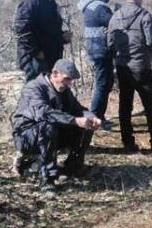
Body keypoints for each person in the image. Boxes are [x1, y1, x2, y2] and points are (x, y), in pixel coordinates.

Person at [11, 59, 100, 192]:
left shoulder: (63, 90)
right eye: (67, 79)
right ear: (55, 74)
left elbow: (77, 109)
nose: (69, 83)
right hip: (27, 135)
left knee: (86, 126)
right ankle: (47, 180)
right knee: (48, 126)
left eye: (70, 80)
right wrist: (74, 120)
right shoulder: (33, 88)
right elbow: (43, 113)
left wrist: (90, 117)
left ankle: (73, 167)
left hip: (52, 133)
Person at [107, 0, 152, 153]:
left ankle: (127, 142)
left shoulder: (115, 16)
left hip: (123, 67)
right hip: (141, 66)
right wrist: (149, 54)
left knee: (125, 105)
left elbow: (109, 43)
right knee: (150, 106)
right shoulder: (144, 15)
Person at [14, 0, 70, 82]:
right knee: (36, 93)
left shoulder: (51, 3)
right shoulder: (31, 3)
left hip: (51, 57)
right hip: (36, 61)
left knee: (49, 93)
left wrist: (62, 38)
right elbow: (21, 32)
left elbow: (49, 31)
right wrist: (37, 52)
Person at [77, 0, 115, 127]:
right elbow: (115, 23)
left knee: (104, 83)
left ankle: (98, 116)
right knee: (102, 84)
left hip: (94, 48)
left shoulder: (89, 6)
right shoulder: (100, 7)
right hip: (101, 50)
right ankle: (95, 118)